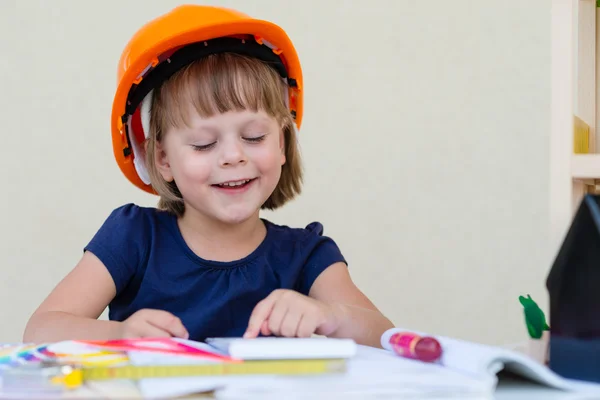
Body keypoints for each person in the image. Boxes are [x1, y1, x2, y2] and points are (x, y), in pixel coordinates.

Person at [23, 5, 394, 347]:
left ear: (282, 144)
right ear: (164, 159)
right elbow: (41, 329)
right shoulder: (133, 237)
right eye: (203, 144)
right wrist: (120, 333)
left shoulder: (306, 254)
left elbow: (387, 337)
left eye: (253, 137)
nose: (233, 156)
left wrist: (330, 316)